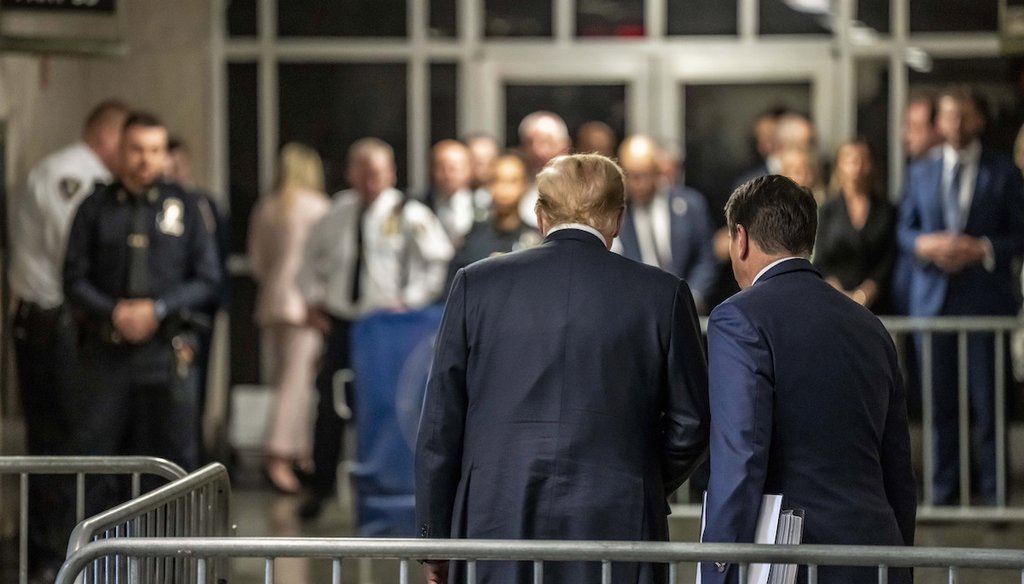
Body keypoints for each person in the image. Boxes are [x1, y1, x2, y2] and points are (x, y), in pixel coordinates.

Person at [416, 154, 709, 584]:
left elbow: (441, 424)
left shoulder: (475, 285)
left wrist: (434, 541)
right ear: (619, 219)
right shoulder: (662, 294)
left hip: (495, 520)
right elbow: (692, 422)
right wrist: (635, 476)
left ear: (539, 215)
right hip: (619, 519)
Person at [701, 174, 916, 584]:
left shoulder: (738, 318)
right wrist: (895, 558)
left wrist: (717, 567)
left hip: (792, 561)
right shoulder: (869, 325)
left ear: (740, 238)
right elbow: (898, 469)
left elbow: (740, 456)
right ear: (808, 241)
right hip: (875, 554)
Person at [297, 137, 453, 519]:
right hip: (342, 323)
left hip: (387, 328)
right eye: (364, 173)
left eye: (379, 173)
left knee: (383, 405)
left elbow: (438, 263)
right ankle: (321, 487)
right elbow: (309, 261)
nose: (371, 181)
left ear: (392, 173)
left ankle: (387, 487)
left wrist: (411, 300)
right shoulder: (338, 211)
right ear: (351, 174)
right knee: (330, 408)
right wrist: (312, 301)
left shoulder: (409, 213)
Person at [8, 97, 129, 583]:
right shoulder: (73, 178)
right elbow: (75, 253)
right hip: (55, 324)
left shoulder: (60, 171)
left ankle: (56, 550)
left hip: (47, 321)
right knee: (64, 447)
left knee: (58, 445)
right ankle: (56, 553)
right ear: (108, 139)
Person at [64, 111, 221, 475]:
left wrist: (159, 309)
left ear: (165, 153)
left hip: (166, 352)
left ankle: (171, 536)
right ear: (120, 151)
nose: (146, 159)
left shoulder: (185, 206)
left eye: (155, 150)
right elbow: (73, 279)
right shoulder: (95, 207)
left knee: (173, 461)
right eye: (136, 149)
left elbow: (208, 279)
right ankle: (100, 534)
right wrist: (115, 311)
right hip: (106, 352)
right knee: (98, 457)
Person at [898, 85, 1024, 506]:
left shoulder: (1003, 171)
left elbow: (1018, 235)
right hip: (932, 304)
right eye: (948, 116)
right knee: (938, 407)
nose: (955, 124)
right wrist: (926, 246)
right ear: (939, 122)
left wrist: (981, 248)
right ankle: (943, 493)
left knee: (990, 406)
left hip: (985, 303)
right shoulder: (920, 171)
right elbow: (905, 231)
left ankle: (994, 495)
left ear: (979, 121)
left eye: (964, 116)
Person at [248, 143, 331, 494]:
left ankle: (300, 454)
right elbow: (327, 260)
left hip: (273, 301)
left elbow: (257, 262)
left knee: (287, 378)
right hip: (304, 304)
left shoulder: (267, 207)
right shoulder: (318, 207)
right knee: (296, 384)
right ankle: (280, 456)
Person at [614, 134, 717, 313]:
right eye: (629, 175)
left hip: (687, 308)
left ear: (657, 170)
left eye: (642, 175)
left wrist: (693, 297)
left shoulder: (690, 205)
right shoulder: (617, 214)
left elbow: (706, 257)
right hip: (639, 312)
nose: (635, 184)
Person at [813, 139, 897, 313]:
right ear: (839, 166)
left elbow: (888, 258)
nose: (857, 168)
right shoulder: (827, 210)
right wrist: (841, 294)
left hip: (879, 304)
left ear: (872, 165)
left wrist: (865, 294)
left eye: (863, 160)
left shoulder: (886, 210)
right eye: (850, 161)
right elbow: (820, 259)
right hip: (834, 302)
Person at [444, 152, 542, 290]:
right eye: (496, 180)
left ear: (524, 186)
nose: (503, 189)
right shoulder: (472, 239)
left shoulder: (538, 242)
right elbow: (453, 289)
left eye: (512, 181)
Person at [516, 111, 571, 227]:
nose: (537, 150)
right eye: (529, 143)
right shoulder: (514, 188)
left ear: (565, 146)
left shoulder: (583, 190)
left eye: (545, 142)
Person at [423, 139, 480, 247]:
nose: (448, 175)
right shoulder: (421, 206)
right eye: (441, 168)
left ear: (469, 169)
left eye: (454, 168)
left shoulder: (485, 206)